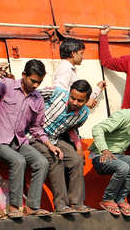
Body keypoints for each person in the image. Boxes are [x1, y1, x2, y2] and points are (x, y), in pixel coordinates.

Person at [0, 60, 56, 218]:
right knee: (18, 161)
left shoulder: (38, 99)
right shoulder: (7, 85)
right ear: (24, 75)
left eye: (39, 82)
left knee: (42, 162)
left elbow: (36, 128)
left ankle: (32, 207)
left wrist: (49, 144)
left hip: (18, 142)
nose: (35, 85)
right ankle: (14, 207)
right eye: (33, 81)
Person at [88, 89, 130, 216]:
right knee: (123, 167)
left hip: (117, 155)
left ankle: (120, 199)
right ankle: (108, 199)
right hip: (100, 155)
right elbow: (97, 128)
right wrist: (104, 150)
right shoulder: (124, 116)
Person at [34, 80, 93, 215]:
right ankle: (61, 204)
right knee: (56, 159)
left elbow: (70, 129)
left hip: (55, 139)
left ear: (87, 100)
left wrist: (78, 147)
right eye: (72, 98)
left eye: (80, 101)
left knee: (76, 161)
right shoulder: (56, 93)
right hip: (35, 136)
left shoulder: (84, 114)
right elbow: (31, 94)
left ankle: (76, 203)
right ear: (69, 93)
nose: (74, 103)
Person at [51, 38, 105, 108]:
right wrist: (85, 103)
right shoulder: (65, 68)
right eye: (81, 53)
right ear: (73, 53)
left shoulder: (69, 68)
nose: (83, 57)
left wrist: (97, 89)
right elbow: (59, 94)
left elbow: (78, 93)